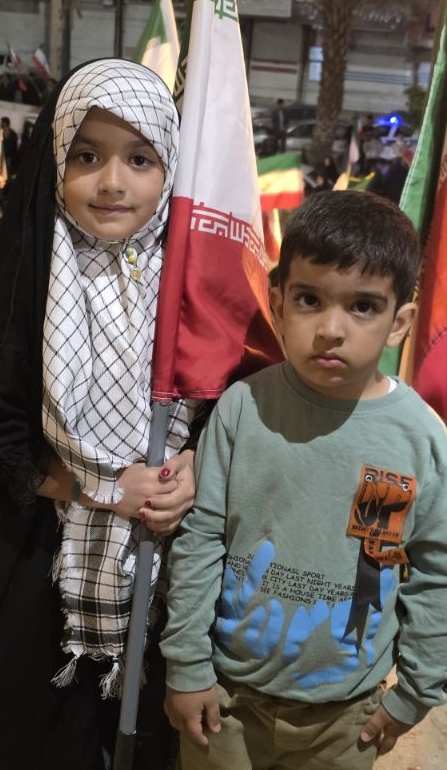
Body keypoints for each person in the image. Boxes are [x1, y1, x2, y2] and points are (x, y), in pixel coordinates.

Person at [161, 190, 447, 770]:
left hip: (347, 717)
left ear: (400, 323)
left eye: (363, 306)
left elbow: (436, 574)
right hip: (228, 702)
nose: (330, 329)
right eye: (310, 299)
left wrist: (416, 692)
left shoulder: (421, 439)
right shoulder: (242, 408)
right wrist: (186, 665)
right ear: (278, 303)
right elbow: (200, 541)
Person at [0, 58, 201, 770]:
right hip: (38, 561)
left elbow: (221, 409)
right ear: (55, 160)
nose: (113, 182)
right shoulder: (24, 274)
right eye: (86, 156)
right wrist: (103, 489)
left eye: (140, 159)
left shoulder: (191, 286)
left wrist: (192, 471)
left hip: (170, 571)